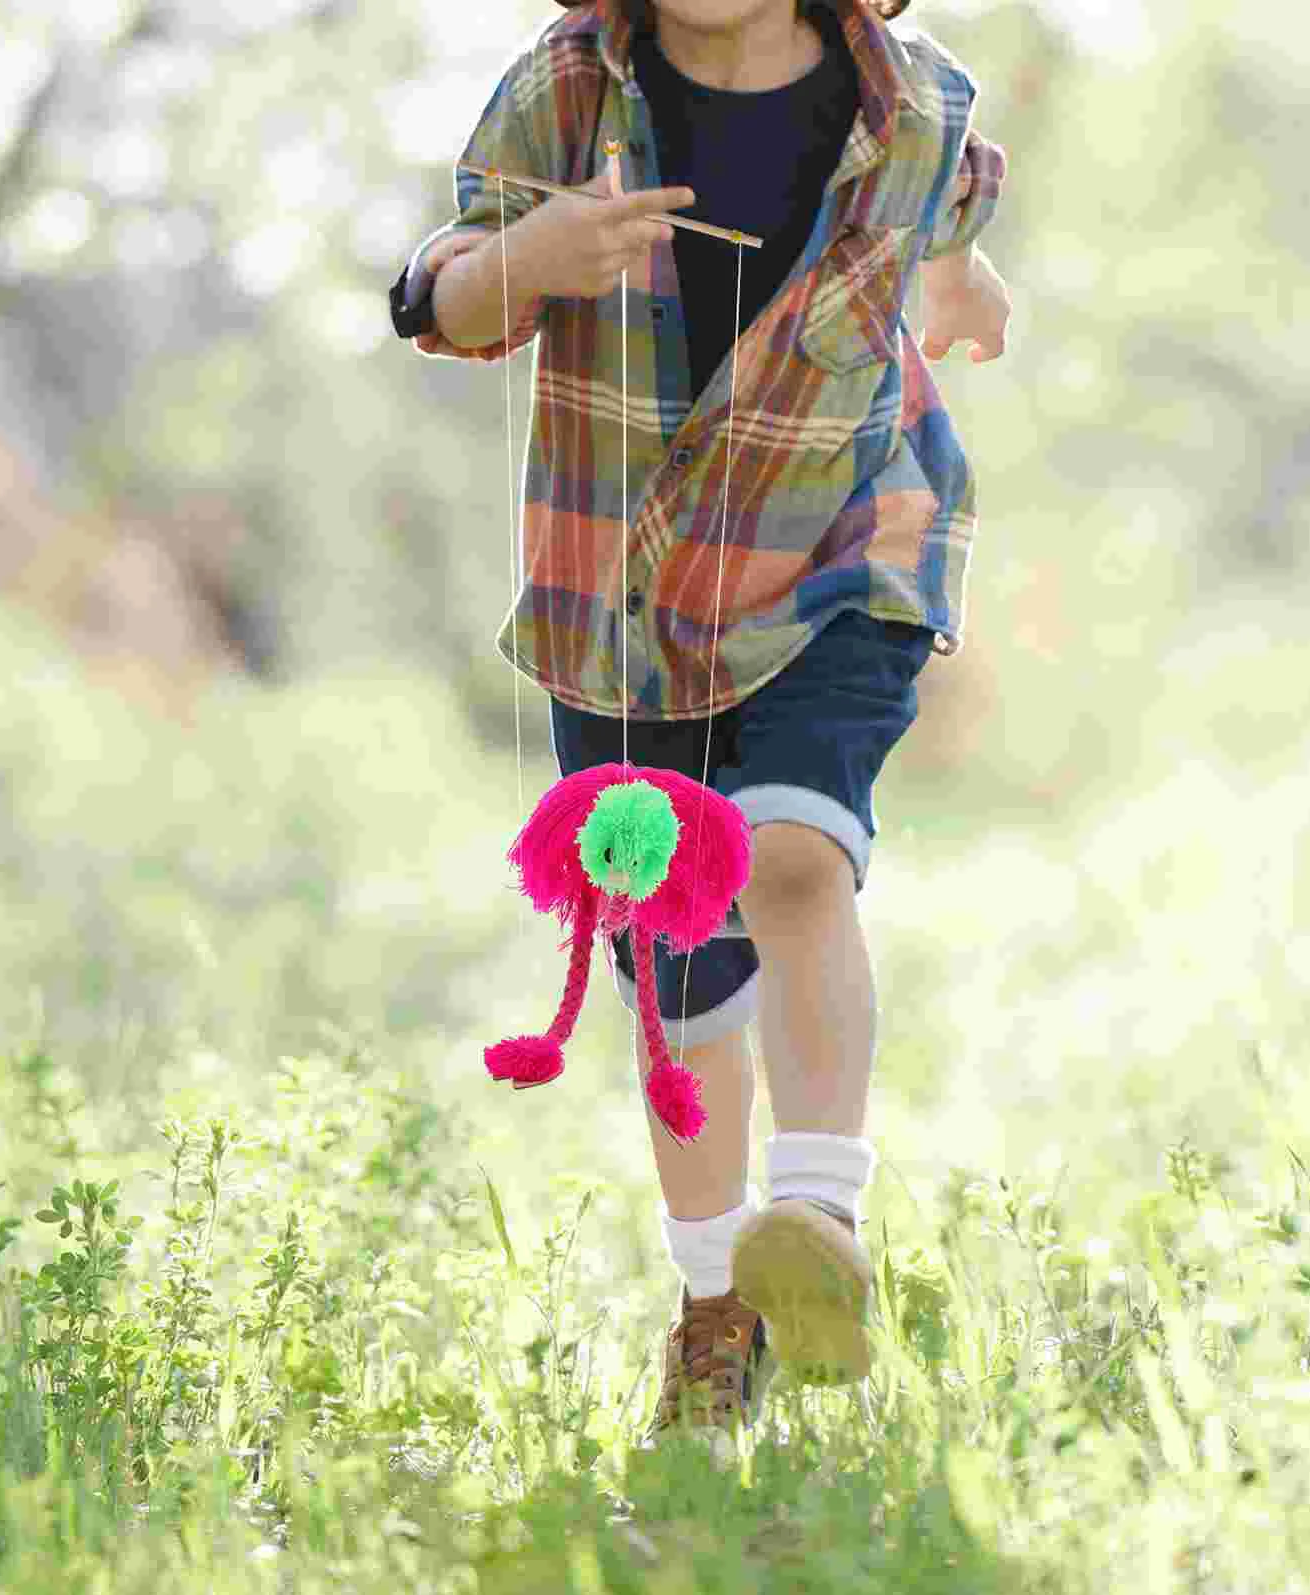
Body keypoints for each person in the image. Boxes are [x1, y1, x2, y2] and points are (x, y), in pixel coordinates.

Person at [388, 0, 1009, 1442]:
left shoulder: (913, 102)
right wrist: (524, 265)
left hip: (846, 540)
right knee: (675, 956)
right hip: (623, 580)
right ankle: (717, 1299)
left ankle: (819, 1223)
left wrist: (969, 281)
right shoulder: (567, 88)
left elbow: (959, 200)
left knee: (795, 862)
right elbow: (439, 294)